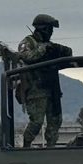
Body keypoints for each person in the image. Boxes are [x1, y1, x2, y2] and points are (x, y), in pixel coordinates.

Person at [17, 13, 73, 148]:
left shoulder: (50, 45)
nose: (51, 33)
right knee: (36, 122)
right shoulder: (28, 42)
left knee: (55, 121)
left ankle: (51, 148)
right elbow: (27, 56)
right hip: (36, 89)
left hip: (52, 88)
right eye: (50, 29)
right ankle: (26, 146)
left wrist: (59, 50)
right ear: (43, 29)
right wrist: (44, 49)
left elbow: (68, 53)